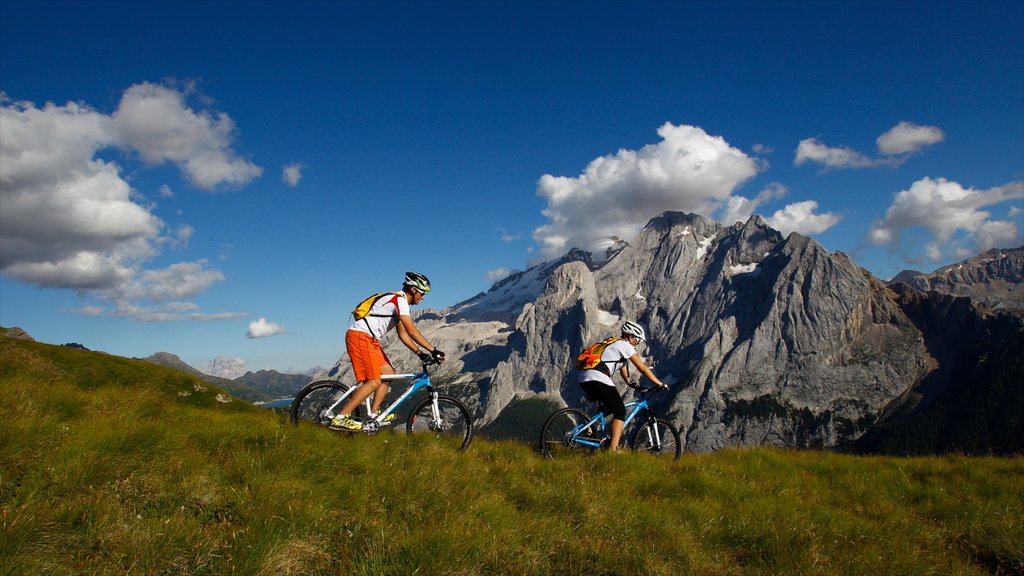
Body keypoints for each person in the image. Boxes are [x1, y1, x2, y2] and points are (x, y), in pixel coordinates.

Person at [331, 272, 446, 431]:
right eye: (422, 293)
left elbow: (403, 335)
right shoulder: (400, 300)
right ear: (413, 290)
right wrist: (433, 350)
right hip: (360, 337)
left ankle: (375, 413)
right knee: (373, 381)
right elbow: (412, 331)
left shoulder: (399, 303)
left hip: (369, 339)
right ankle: (341, 417)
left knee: (388, 372)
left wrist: (420, 353)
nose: (423, 297)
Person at [578, 321, 667, 452]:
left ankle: (590, 426)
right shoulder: (625, 345)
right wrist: (659, 383)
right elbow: (642, 368)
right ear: (631, 337)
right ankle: (613, 450)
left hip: (584, 378)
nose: (638, 344)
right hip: (598, 378)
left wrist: (634, 385)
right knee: (620, 411)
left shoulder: (614, 345)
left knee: (609, 406)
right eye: (638, 340)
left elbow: (626, 377)